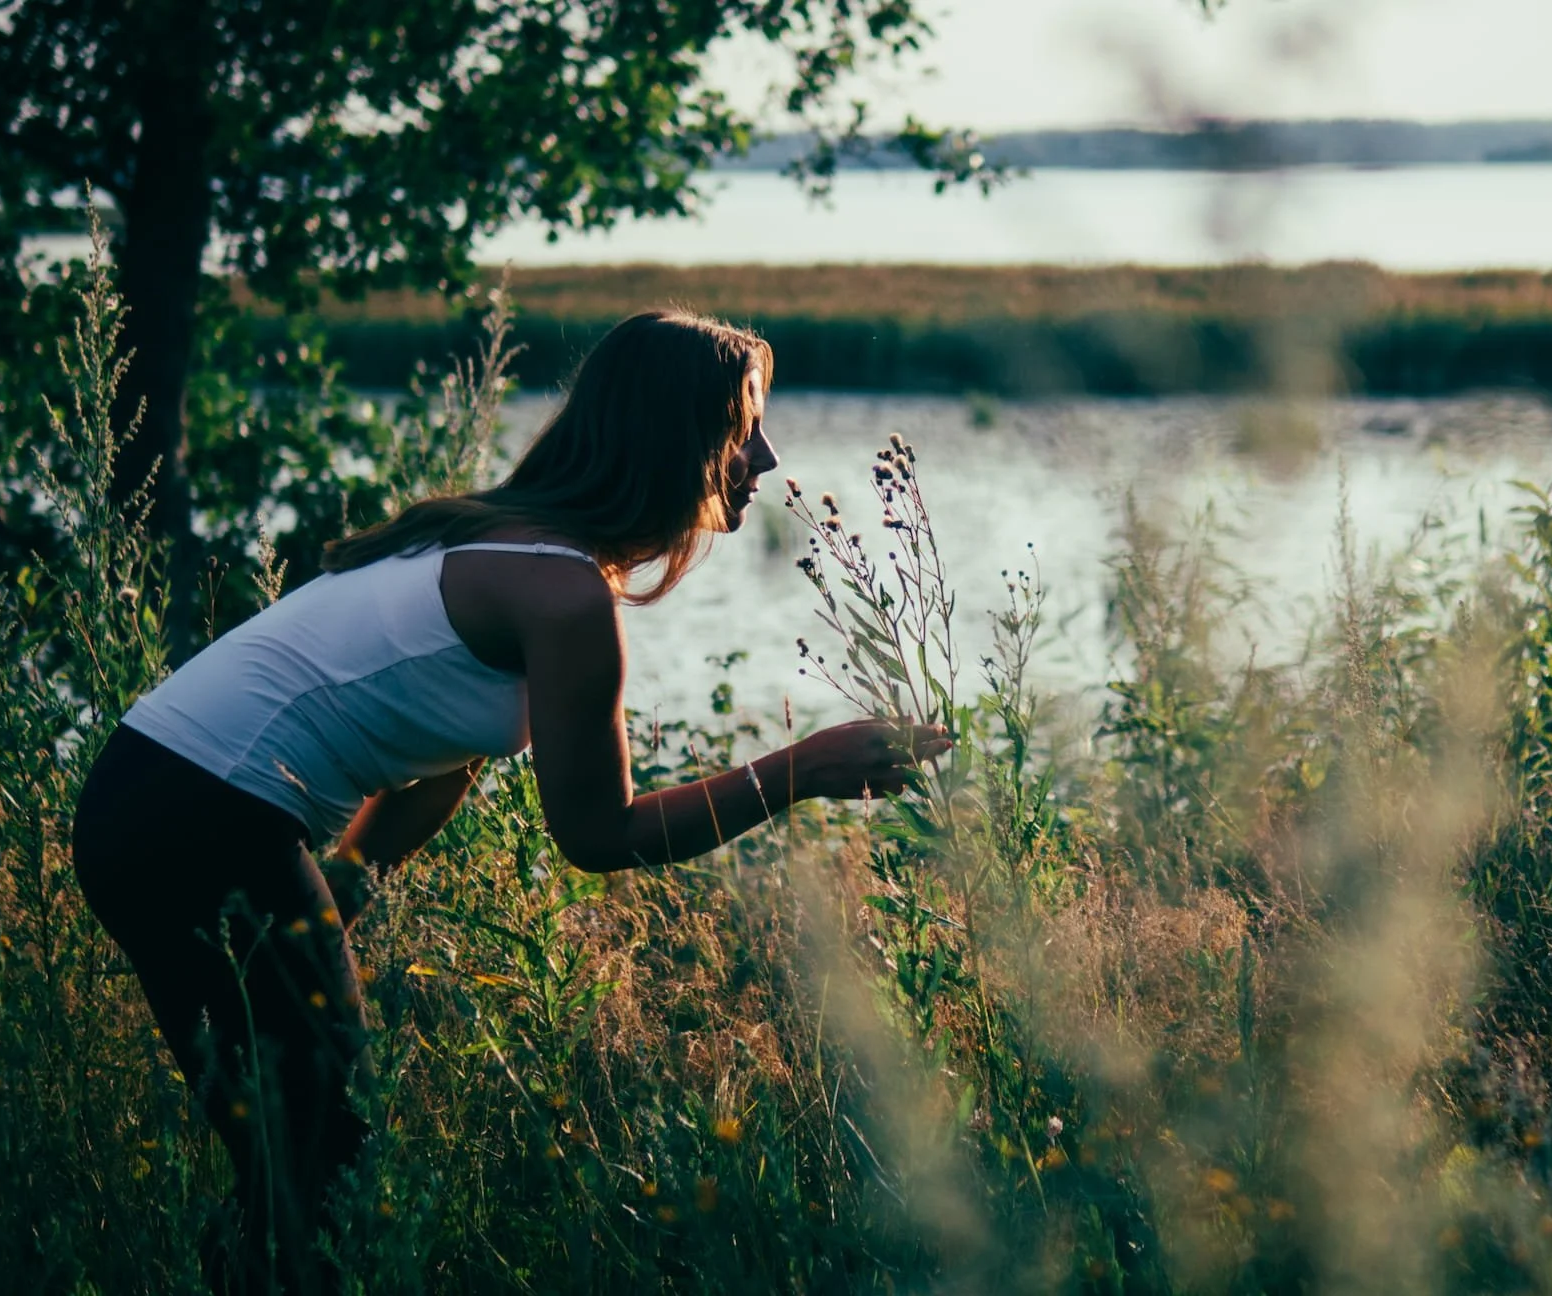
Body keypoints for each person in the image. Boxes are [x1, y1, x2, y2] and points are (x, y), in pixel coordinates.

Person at [69, 310, 946, 1293]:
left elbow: (442, 753)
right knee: (325, 1165)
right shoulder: (559, 593)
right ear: (673, 435)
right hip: (204, 820)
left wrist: (344, 890)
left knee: (292, 1158)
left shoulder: (504, 544)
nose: (768, 455)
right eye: (745, 426)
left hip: (147, 798)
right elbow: (599, 836)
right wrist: (803, 768)